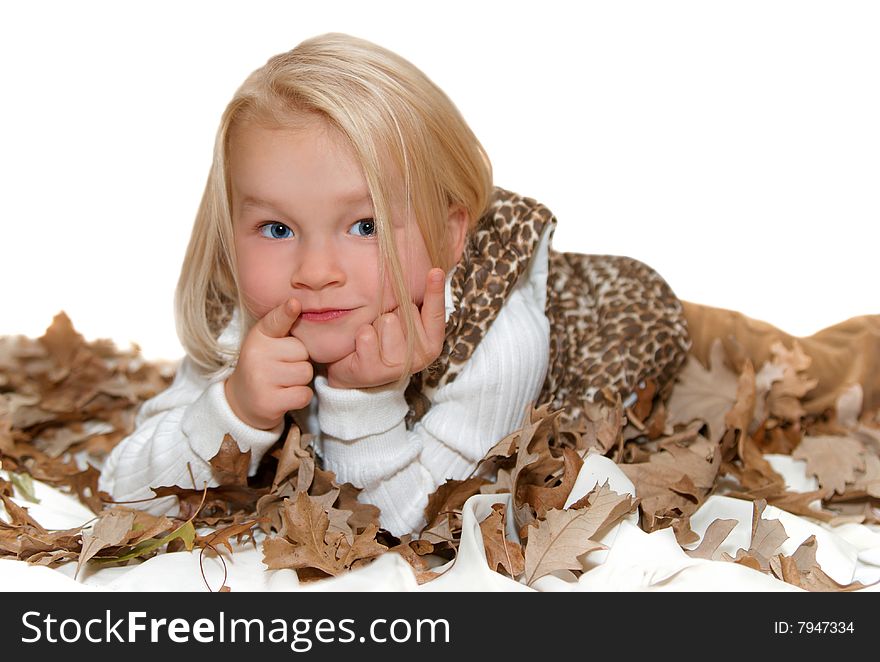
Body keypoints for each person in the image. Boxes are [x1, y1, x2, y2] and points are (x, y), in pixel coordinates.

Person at [98, 33, 691, 536]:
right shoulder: (258, 313)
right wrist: (233, 412)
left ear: (450, 234)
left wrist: (362, 401)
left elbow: (419, 527)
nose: (315, 269)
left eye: (366, 225)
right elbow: (121, 490)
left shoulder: (496, 342)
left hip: (599, 325)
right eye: (276, 228)